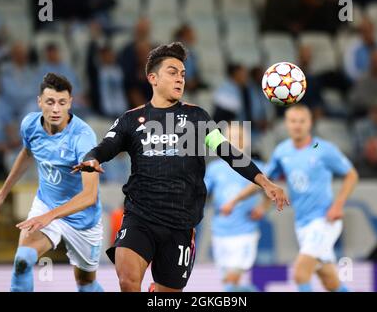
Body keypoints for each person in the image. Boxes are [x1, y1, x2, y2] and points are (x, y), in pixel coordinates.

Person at [72, 42, 289, 292]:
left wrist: (265, 182)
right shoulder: (131, 119)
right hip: (140, 216)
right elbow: (105, 147)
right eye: (172, 72)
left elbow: (228, 151)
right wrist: (92, 158)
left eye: (183, 74)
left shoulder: (197, 118)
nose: (180, 79)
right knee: (128, 280)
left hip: (180, 225)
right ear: (152, 78)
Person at [0, 73, 104, 292]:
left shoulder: (83, 138)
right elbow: (27, 153)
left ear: (70, 103)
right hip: (46, 205)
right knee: (21, 262)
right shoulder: (30, 124)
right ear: (39, 102)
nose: (56, 109)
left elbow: (90, 196)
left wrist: (49, 216)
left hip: (82, 220)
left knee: (86, 285)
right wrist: (2, 193)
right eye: (50, 102)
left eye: (61, 102)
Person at [221, 104, 359, 292]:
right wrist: (235, 200)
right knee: (330, 281)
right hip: (302, 224)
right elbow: (263, 181)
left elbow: (351, 175)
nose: (297, 125)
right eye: (293, 121)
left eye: (302, 121)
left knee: (300, 273)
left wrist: (338, 205)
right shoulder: (282, 151)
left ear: (310, 123)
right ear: (286, 124)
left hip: (324, 220)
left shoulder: (323, 149)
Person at [205, 123, 270, 292]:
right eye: (230, 138)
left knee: (232, 280)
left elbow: (269, 191)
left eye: (238, 137)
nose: (235, 142)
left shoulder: (256, 167)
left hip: (245, 232)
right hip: (220, 231)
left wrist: (263, 207)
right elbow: (203, 192)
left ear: (246, 140)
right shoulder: (214, 168)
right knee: (228, 282)